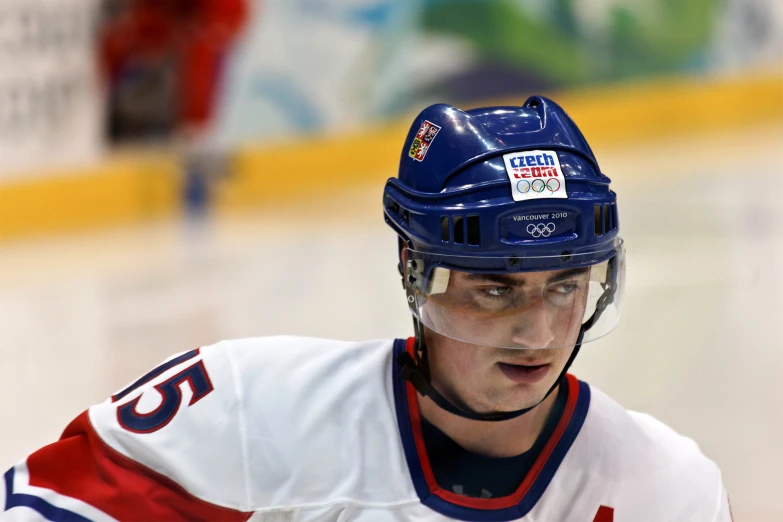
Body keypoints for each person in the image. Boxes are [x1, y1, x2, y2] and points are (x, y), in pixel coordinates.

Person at [1, 98, 732, 522]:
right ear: (416, 274)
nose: (538, 332)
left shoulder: (663, 489)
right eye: (495, 288)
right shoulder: (248, 412)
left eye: (564, 286)